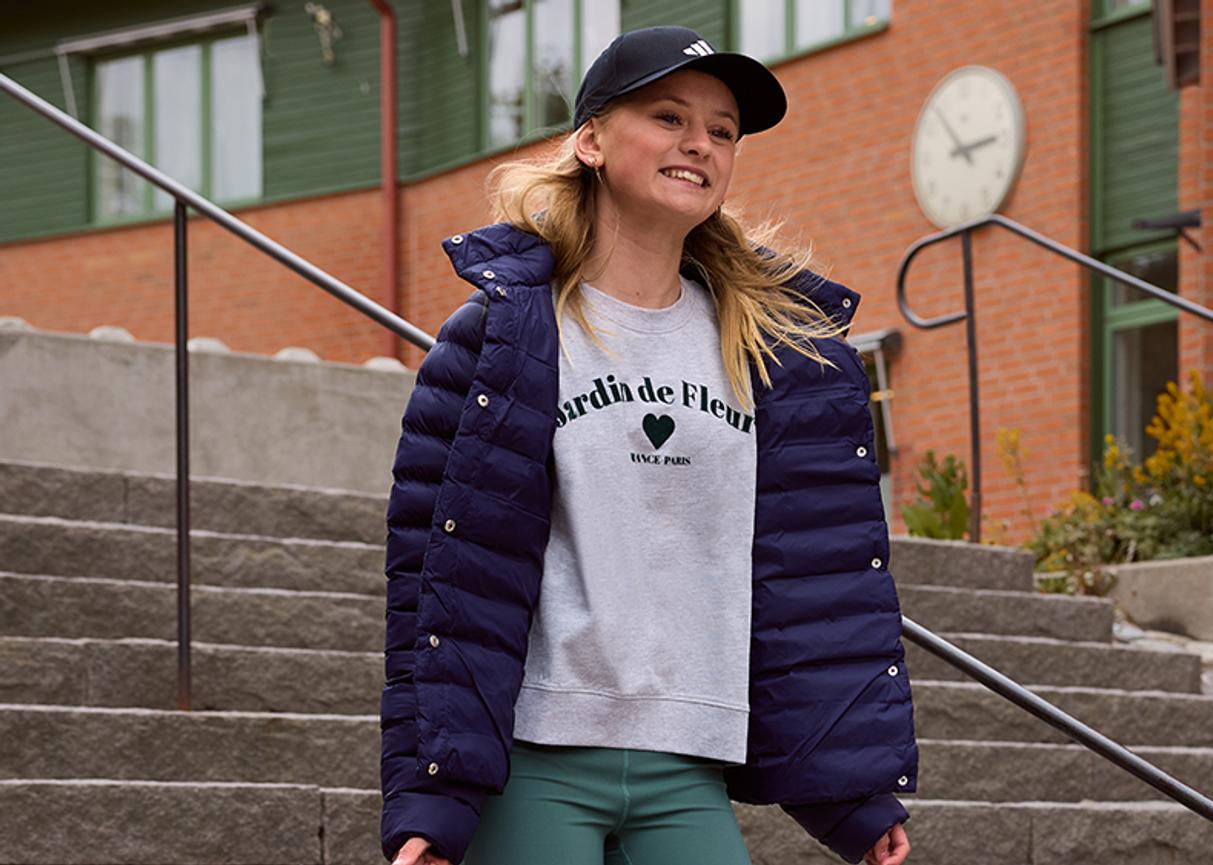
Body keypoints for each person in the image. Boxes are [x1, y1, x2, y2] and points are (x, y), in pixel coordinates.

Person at [380, 24, 916, 865]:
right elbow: (438, 574)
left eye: (722, 131)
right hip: (535, 755)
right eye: (669, 117)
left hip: (691, 757)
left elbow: (810, 576)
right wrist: (428, 794)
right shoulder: (502, 335)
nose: (700, 143)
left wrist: (854, 793)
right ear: (591, 141)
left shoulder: (778, 353)